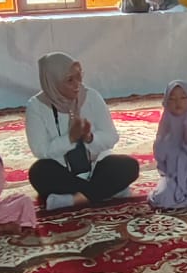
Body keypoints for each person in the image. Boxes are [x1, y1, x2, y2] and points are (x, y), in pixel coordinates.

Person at [26, 52, 141, 209]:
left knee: (129, 166)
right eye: (70, 80)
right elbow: (41, 150)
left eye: (79, 76)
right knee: (39, 172)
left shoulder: (91, 96)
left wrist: (90, 138)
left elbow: (111, 137)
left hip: (97, 166)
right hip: (62, 170)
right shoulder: (36, 106)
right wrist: (70, 139)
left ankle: (74, 199)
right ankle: (106, 191)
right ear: (53, 82)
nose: (78, 84)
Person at [149, 81, 187, 208]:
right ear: (166, 102)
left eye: (183, 98)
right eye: (172, 99)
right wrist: (166, 139)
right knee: (163, 197)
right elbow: (160, 156)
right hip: (173, 173)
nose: (178, 102)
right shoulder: (166, 123)